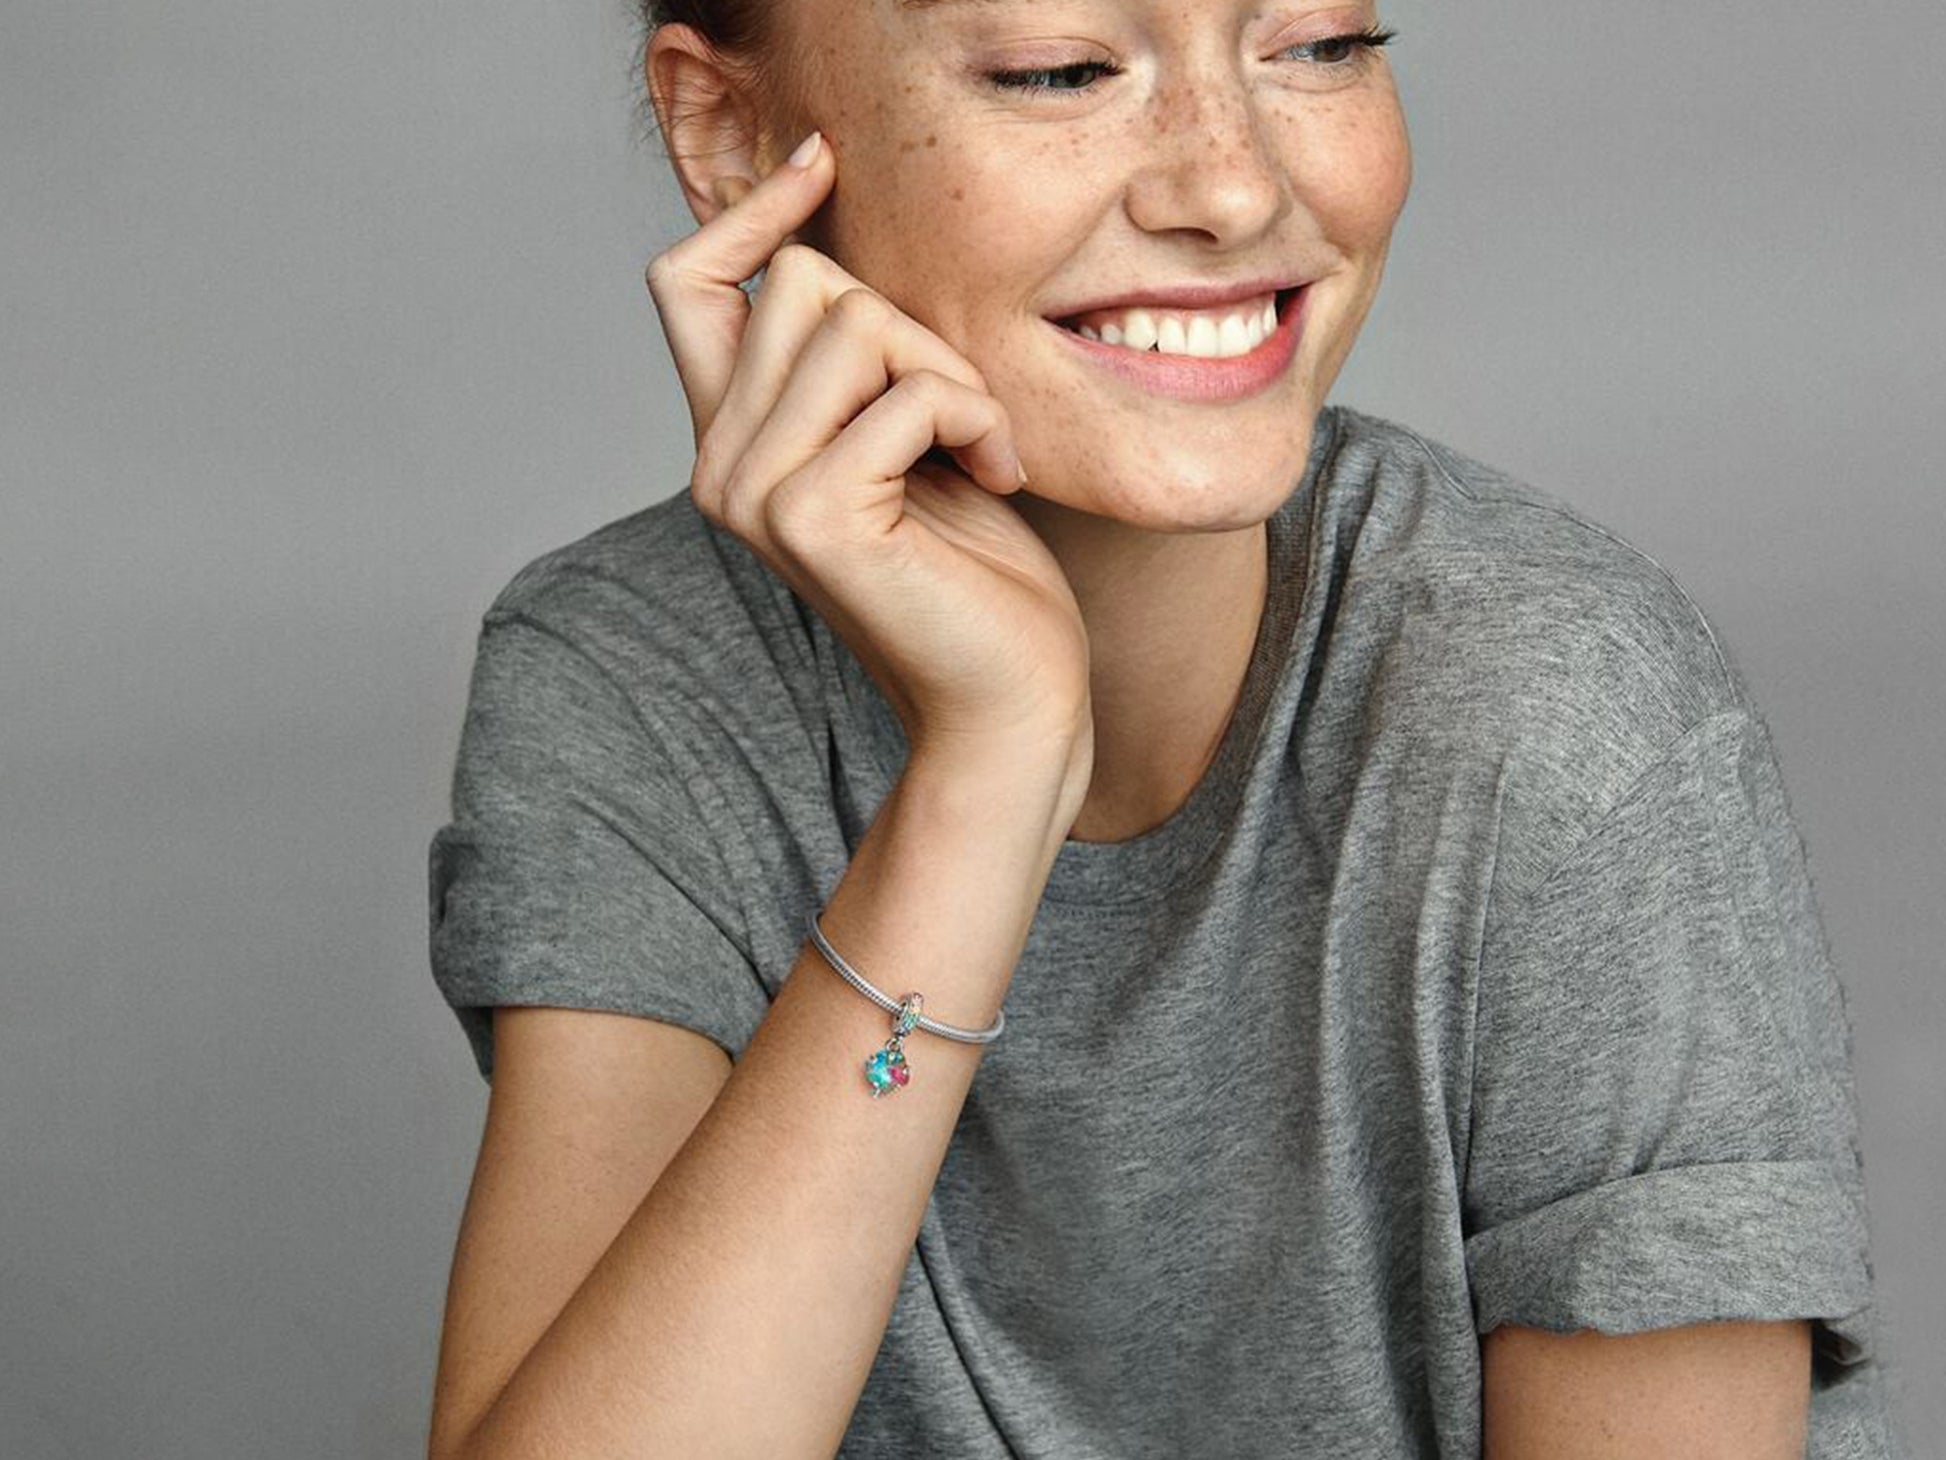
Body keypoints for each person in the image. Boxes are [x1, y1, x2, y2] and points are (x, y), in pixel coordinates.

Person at [421, 2, 1899, 1455]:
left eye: (1319, 44)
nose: (1233, 186)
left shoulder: (1557, 712)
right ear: (730, 132)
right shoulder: (634, 672)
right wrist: (988, 766)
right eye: (1058, 68)